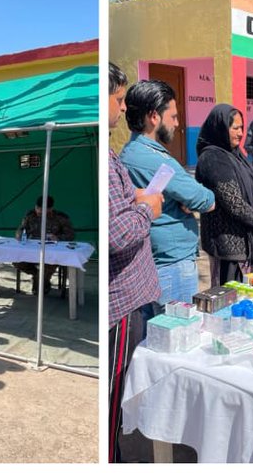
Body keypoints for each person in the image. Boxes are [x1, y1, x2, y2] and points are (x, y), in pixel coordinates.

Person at [120, 80, 215, 313]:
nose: (177, 123)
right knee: (177, 330)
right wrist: (190, 197)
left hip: (164, 259)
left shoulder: (134, 152)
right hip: (171, 264)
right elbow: (206, 199)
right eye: (172, 116)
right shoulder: (152, 159)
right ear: (154, 117)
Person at [106, 64, 161, 464]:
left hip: (129, 294)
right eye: (118, 99)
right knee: (112, 399)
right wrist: (146, 211)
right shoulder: (109, 158)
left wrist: (135, 200)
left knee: (119, 395)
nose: (122, 109)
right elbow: (115, 235)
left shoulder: (110, 154)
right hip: (122, 300)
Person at [195, 104, 253, 285]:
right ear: (220, 128)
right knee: (232, 300)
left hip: (249, 239)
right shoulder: (212, 158)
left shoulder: (237, 155)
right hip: (230, 246)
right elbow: (234, 204)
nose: (240, 133)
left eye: (242, 128)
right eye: (235, 128)